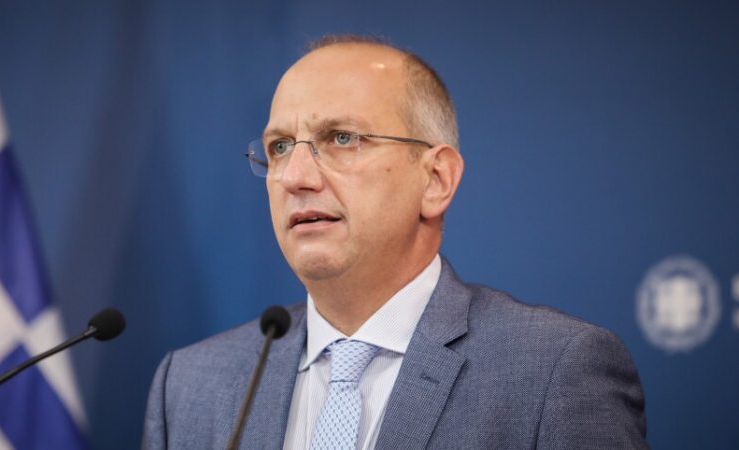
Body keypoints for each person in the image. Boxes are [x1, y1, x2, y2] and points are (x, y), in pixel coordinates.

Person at [142, 35, 647, 449]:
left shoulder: (552, 372)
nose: (295, 177)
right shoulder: (189, 386)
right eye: (279, 147)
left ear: (436, 180)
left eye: (342, 138)